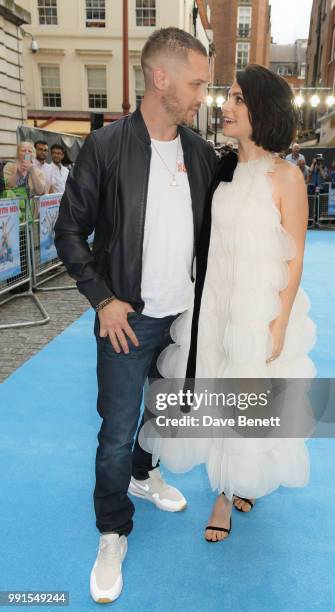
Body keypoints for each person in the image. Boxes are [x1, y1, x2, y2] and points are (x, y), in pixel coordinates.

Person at [54, 27, 216, 604]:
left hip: (183, 321)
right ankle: (111, 528)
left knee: (165, 417)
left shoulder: (200, 153)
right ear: (160, 78)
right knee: (117, 433)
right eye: (196, 82)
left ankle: (146, 478)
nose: (204, 94)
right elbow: (68, 230)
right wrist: (102, 298)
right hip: (128, 320)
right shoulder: (106, 147)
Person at [141, 65, 316, 542]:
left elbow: (295, 256)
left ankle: (234, 486)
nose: (226, 106)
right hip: (214, 303)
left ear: (263, 109)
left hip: (259, 308)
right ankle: (226, 487)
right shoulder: (220, 167)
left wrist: (278, 323)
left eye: (238, 98)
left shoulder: (287, 178)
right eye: (228, 97)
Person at [2, 142, 46, 221]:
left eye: (30, 151)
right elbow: (7, 185)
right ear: (18, 153)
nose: (27, 153)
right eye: (23, 150)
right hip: (10, 213)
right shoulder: (9, 166)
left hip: (30, 212)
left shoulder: (38, 172)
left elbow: (40, 191)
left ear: (34, 154)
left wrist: (32, 171)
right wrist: (18, 173)